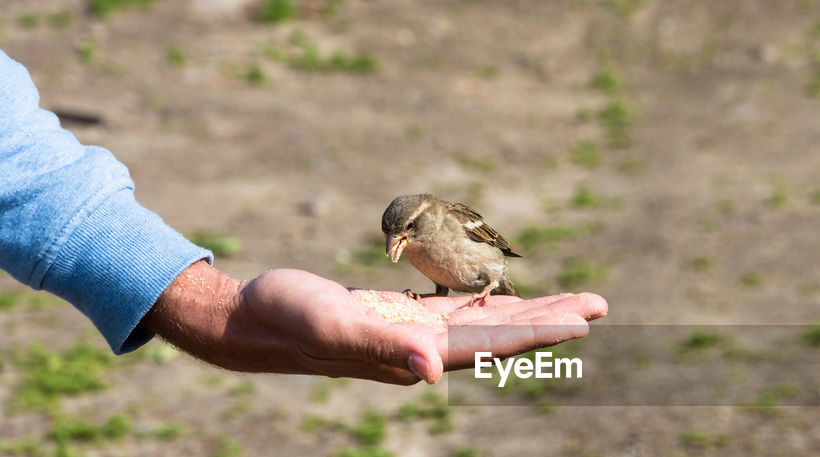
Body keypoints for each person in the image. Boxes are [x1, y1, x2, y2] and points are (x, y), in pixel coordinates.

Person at [0, 50, 607, 385]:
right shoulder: (411, 237)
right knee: (437, 295)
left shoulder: (457, 222)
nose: (398, 246)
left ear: (427, 220)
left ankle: (491, 298)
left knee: (486, 293)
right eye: (390, 239)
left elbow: (20, 159)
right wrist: (216, 308)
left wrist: (489, 287)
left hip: (489, 279)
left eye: (407, 234)